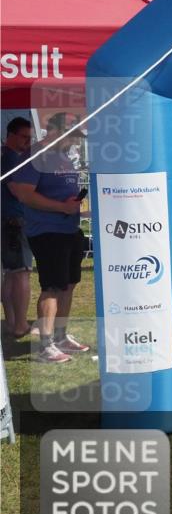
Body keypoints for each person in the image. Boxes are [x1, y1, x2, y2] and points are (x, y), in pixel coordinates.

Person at [7, 112, 90, 363]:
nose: (76, 141)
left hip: (68, 229)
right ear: (57, 131)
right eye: (73, 135)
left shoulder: (62, 156)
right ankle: (46, 345)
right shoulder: (36, 155)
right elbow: (23, 193)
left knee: (68, 284)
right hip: (46, 230)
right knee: (52, 287)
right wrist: (60, 207)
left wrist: (75, 207)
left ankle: (61, 336)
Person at [2, 117, 34, 339]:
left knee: (12, 275)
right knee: (21, 273)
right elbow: (18, 190)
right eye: (24, 137)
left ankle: (13, 322)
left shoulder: (7, 156)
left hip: (8, 220)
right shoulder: (12, 159)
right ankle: (20, 324)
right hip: (15, 220)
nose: (27, 142)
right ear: (11, 135)